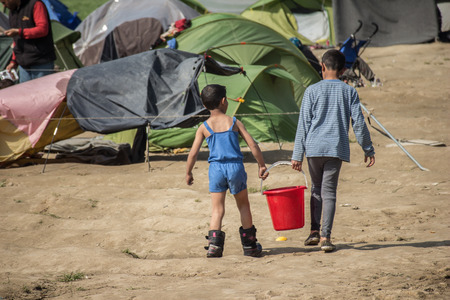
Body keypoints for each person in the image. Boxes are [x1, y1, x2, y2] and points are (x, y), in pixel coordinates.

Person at [291, 49, 375, 252]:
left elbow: (303, 125)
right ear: (344, 69)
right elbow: (359, 124)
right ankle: (325, 237)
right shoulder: (349, 92)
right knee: (329, 192)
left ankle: (313, 231)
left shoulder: (311, 91)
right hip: (335, 148)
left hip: (313, 148)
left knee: (316, 189)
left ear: (322, 67)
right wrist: (368, 148)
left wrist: (296, 155)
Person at [186, 84, 268, 258]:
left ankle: (214, 247)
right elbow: (253, 144)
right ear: (224, 101)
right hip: (235, 168)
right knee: (243, 205)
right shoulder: (234, 122)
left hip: (216, 169)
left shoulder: (204, 127)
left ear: (205, 104)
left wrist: (188, 172)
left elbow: (193, 153)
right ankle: (250, 247)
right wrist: (261, 165)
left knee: (217, 209)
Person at [1, 0, 56, 83]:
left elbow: (43, 29)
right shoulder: (12, 12)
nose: (4, 6)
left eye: (4, 2)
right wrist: (14, 61)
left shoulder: (35, 4)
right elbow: (16, 40)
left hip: (41, 62)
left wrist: (19, 32)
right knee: (26, 94)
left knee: (41, 93)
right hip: (24, 65)